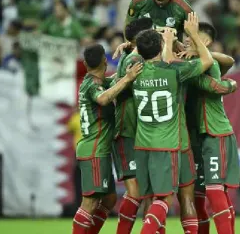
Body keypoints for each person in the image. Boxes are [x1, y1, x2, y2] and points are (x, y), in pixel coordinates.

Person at [132, 13, 213, 234]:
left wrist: (158, 43)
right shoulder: (173, 71)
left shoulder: (132, 70)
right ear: (159, 46)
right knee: (171, 199)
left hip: (143, 144)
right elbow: (207, 61)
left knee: (150, 200)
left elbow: (140, 54)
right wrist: (192, 35)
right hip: (170, 144)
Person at [71, 44, 142, 234]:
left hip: (98, 149)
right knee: (90, 202)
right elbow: (103, 98)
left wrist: (132, 49)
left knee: (109, 199)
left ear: (85, 63)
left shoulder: (96, 81)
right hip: (94, 150)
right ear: (105, 61)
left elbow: (115, 81)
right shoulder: (93, 86)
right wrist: (128, 77)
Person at [182, 22, 240, 234]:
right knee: (198, 196)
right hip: (196, 137)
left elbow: (215, 85)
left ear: (203, 41)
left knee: (215, 191)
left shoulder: (207, 64)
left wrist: (230, 85)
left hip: (215, 133)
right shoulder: (192, 60)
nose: (186, 40)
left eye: (190, 37)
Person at [112, 17, 154, 234]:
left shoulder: (133, 55)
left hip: (141, 133)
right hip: (127, 130)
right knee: (137, 193)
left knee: (148, 192)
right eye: (152, 31)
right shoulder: (135, 59)